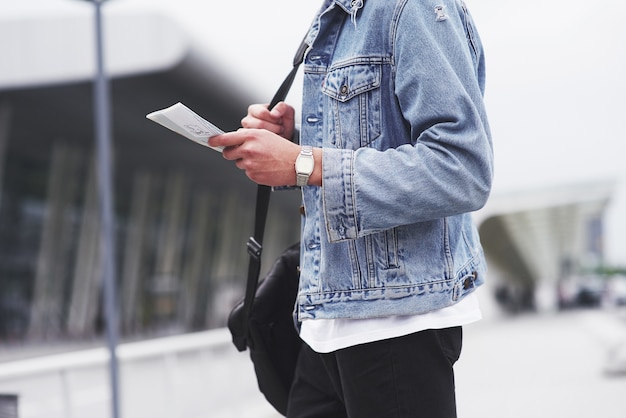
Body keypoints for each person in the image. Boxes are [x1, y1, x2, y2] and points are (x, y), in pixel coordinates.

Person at [210, 0, 493, 416]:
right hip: (325, 321)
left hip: (397, 323)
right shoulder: (339, 14)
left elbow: (462, 169)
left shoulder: (410, 7)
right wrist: (293, 145)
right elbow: (368, 144)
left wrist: (302, 161)